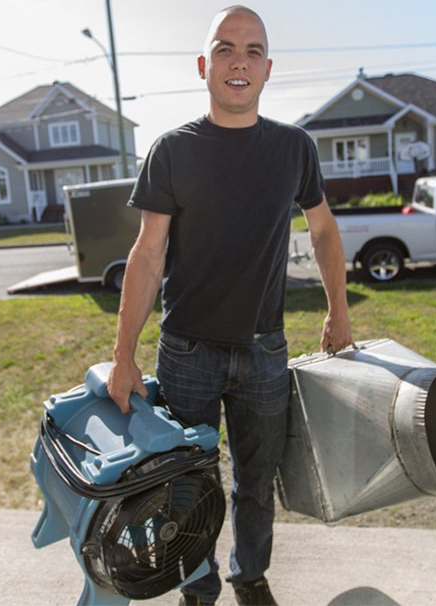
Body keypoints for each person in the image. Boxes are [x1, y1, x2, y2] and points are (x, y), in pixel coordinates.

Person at [106, 5, 352, 605]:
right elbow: (147, 254)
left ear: (268, 69)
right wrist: (123, 355)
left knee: (255, 482)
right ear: (204, 66)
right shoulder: (172, 150)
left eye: (251, 51)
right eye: (225, 49)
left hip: (266, 349)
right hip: (187, 348)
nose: (238, 61)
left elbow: (322, 230)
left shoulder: (294, 148)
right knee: (188, 482)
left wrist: (338, 312)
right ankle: (197, 583)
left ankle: (250, 577)